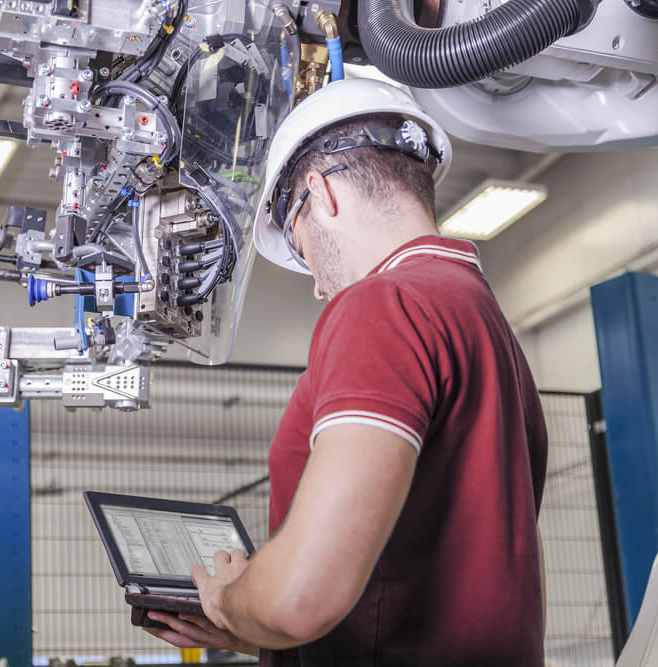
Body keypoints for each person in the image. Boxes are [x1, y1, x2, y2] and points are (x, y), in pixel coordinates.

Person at [143, 78, 548, 665]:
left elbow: (302, 600)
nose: (315, 284)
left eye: (302, 247)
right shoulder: (482, 318)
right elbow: (446, 577)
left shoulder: (382, 305)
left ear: (321, 192)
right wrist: (257, 632)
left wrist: (231, 598)